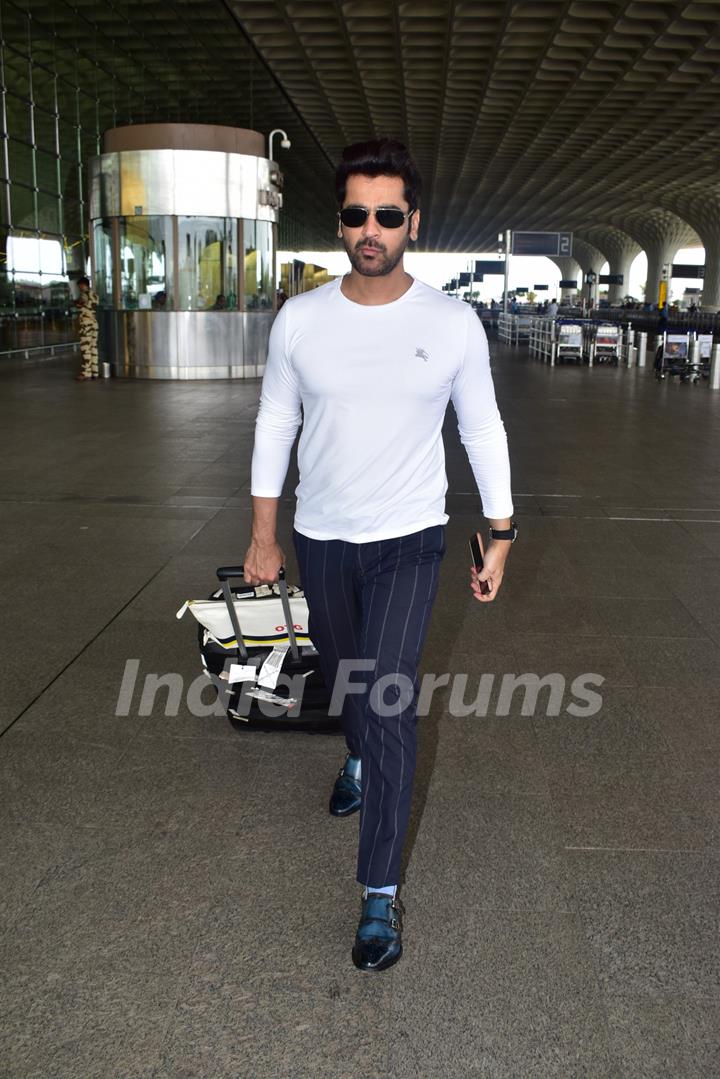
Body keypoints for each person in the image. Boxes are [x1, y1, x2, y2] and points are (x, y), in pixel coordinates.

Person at [243, 139, 515, 973]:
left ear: (412, 223)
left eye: (388, 214)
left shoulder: (449, 322)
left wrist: (500, 532)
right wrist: (263, 532)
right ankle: (354, 751)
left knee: (390, 699)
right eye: (358, 213)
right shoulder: (302, 319)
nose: (372, 228)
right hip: (322, 536)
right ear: (340, 223)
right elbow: (274, 424)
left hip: (410, 539)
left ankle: (379, 897)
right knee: (347, 677)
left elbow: (482, 428)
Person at [75, 276, 99, 381]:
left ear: (83, 285)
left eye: (79, 286)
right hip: (94, 323)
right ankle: (95, 371)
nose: (79, 288)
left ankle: (86, 373)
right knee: (93, 348)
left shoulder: (84, 294)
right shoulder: (95, 294)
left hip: (86, 324)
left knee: (86, 349)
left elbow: (81, 303)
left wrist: (76, 302)